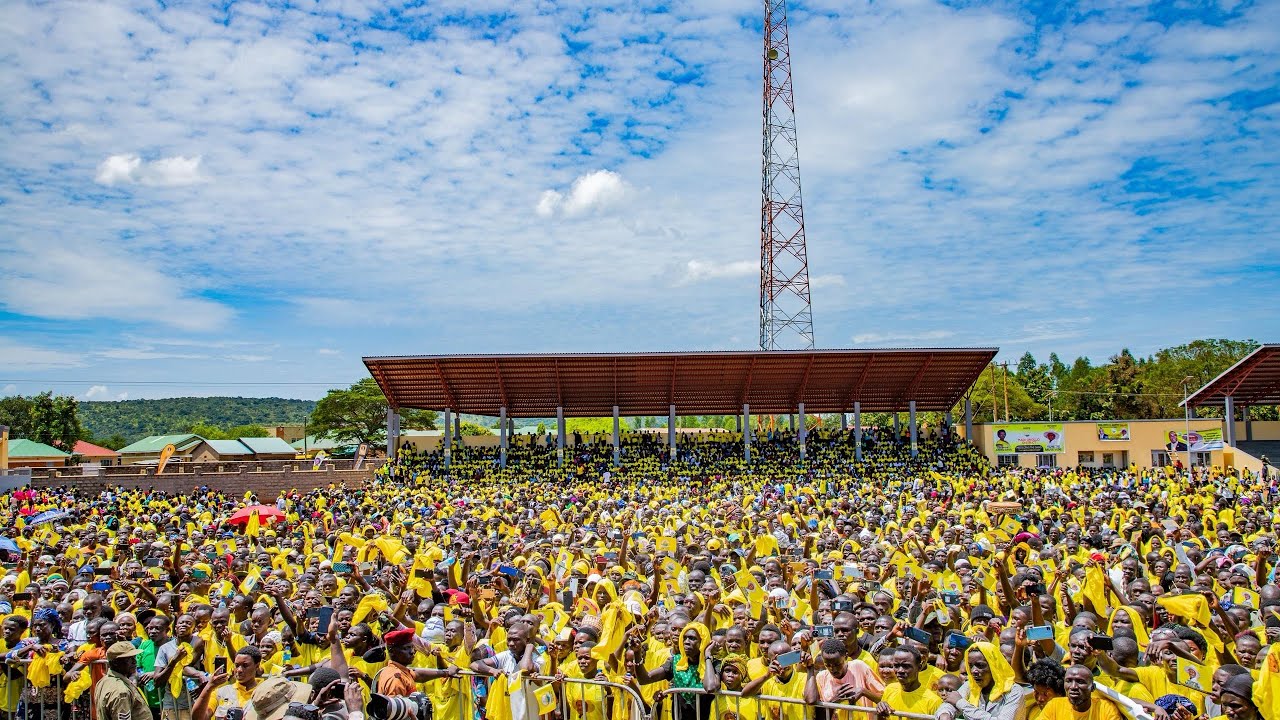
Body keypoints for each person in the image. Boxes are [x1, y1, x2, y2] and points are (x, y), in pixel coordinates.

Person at [1037, 665, 1122, 720]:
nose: (1073, 686)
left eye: (1080, 682)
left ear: (1092, 688)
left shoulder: (1106, 709)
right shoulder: (1054, 706)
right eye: (1069, 681)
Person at [95, 641, 152, 720]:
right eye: (129, 659)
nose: (134, 662)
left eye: (134, 657)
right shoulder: (121, 692)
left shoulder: (103, 681)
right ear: (116, 663)